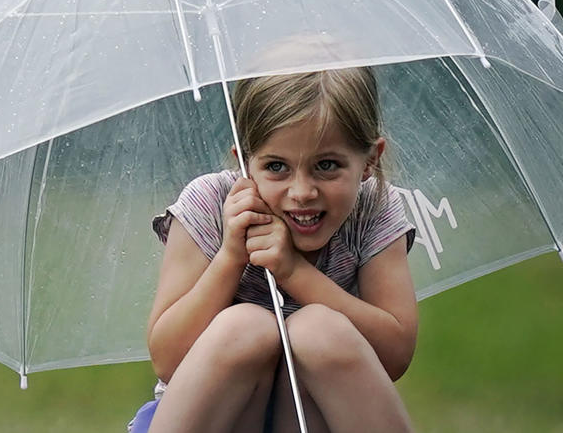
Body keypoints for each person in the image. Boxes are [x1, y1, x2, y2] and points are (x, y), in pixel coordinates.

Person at [129, 68, 418, 433]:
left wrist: (294, 272)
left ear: (370, 161)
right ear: (243, 161)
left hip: (314, 420)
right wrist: (231, 257)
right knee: (245, 326)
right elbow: (168, 360)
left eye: (326, 166)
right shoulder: (210, 203)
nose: (302, 192)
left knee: (319, 331)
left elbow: (394, 356)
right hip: (213, 419)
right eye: (276, 167)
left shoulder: (374, 207)